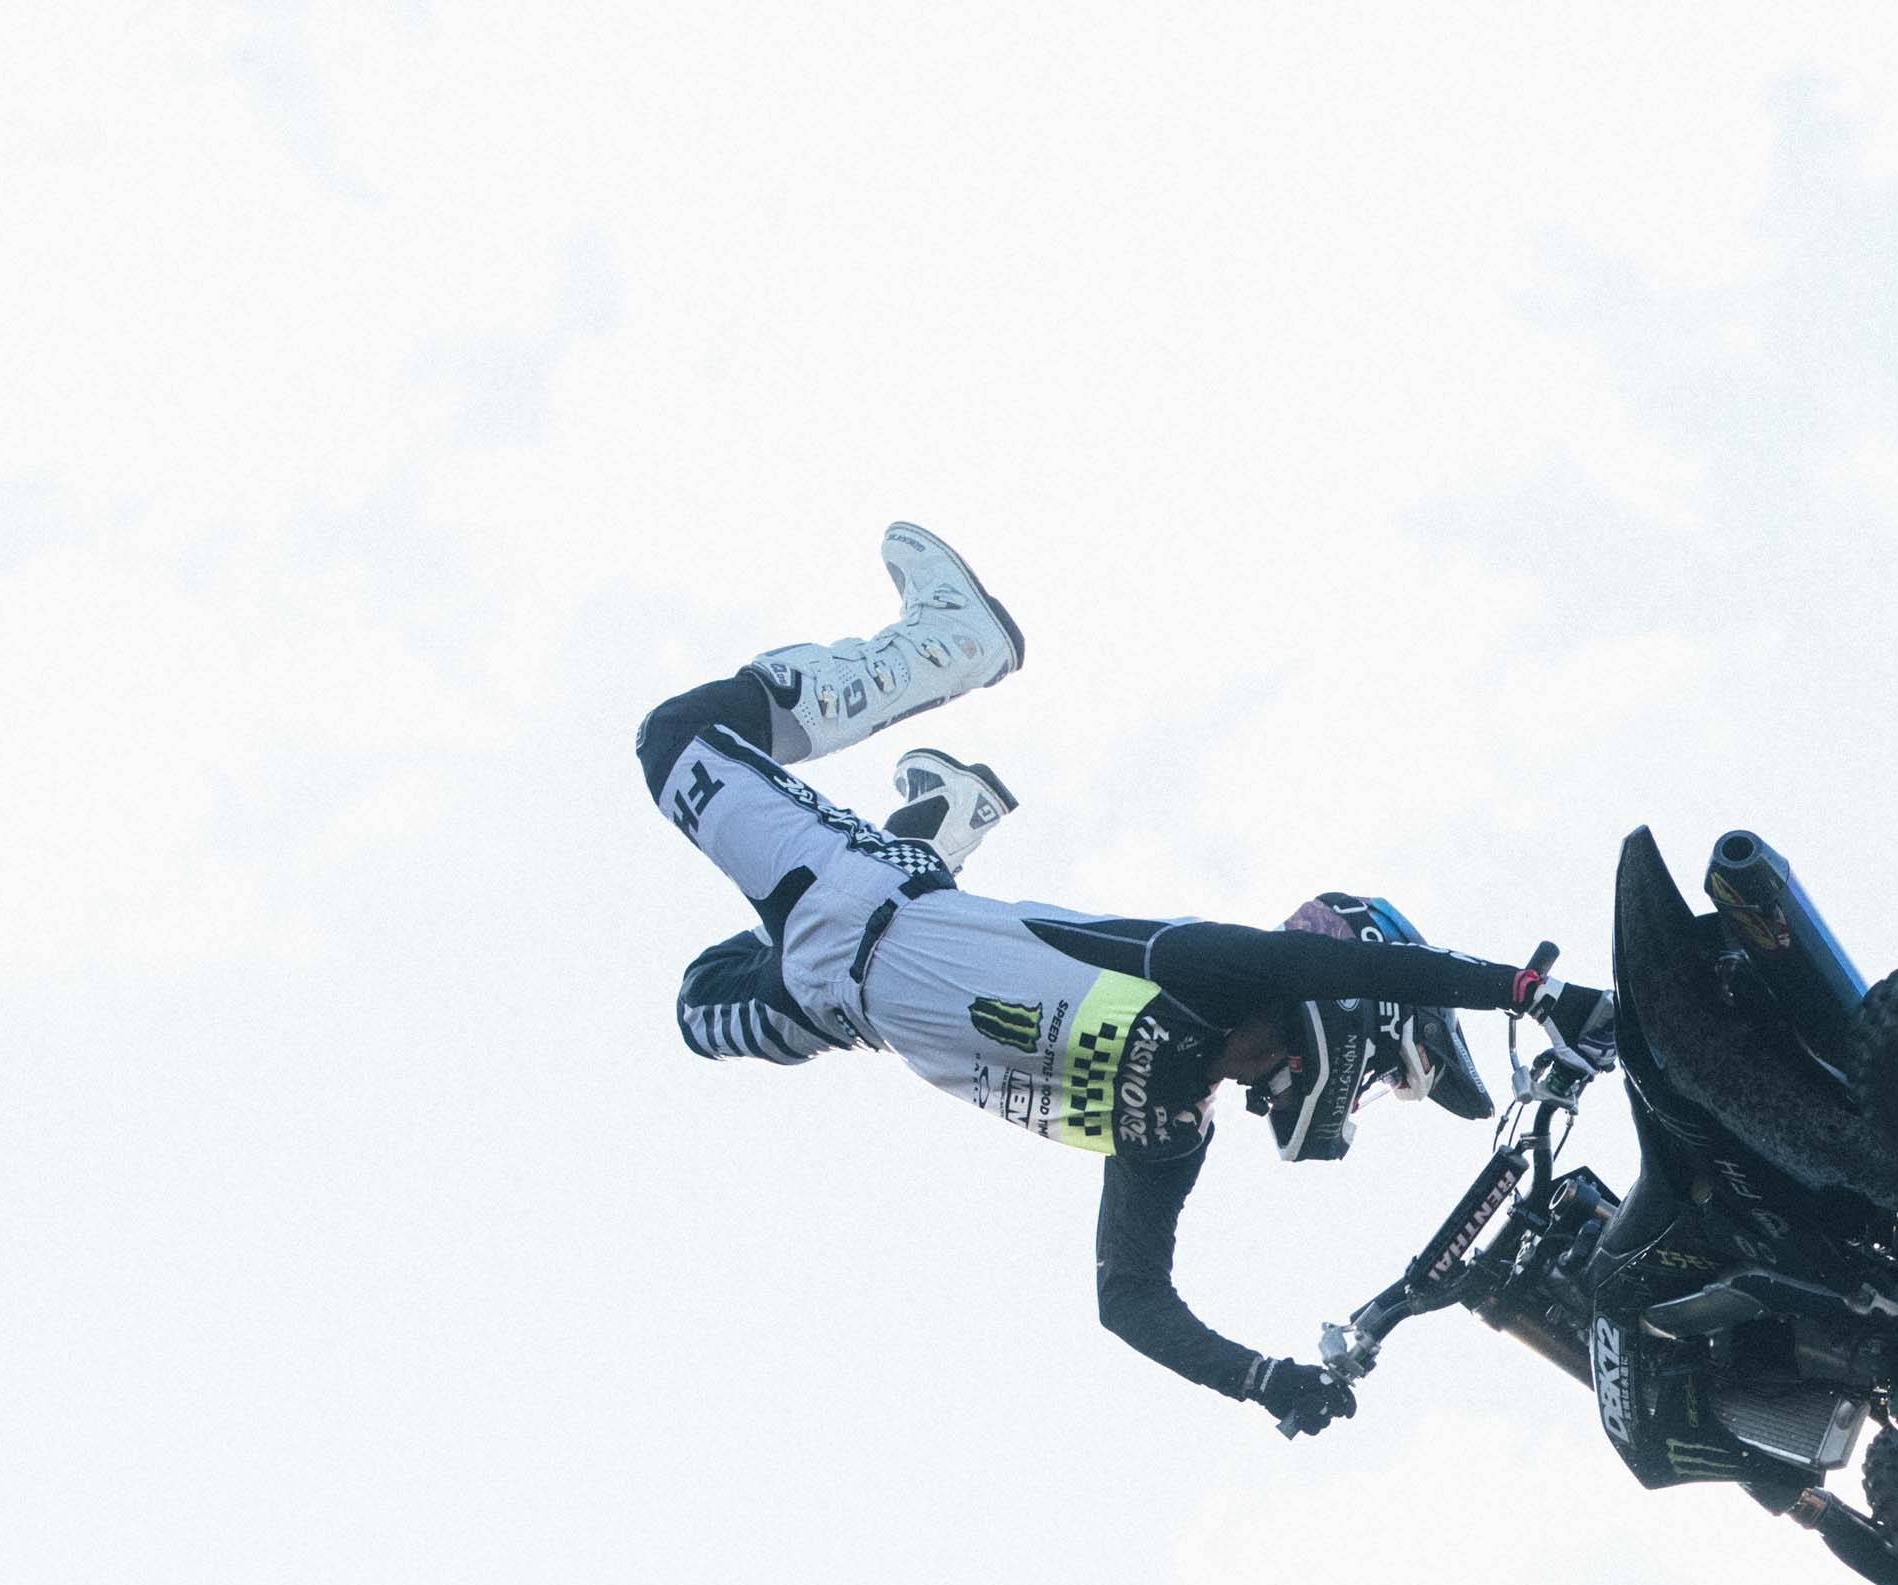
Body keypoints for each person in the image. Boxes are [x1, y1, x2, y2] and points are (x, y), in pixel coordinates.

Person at [635, 522, 1615, 1435]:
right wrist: (1528, 993)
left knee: (698, 1004)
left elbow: (1130, 1300)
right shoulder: (1205, 976)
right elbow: (1332, 960)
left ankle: (942, 821)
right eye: (1332, 1074)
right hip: (852, 894)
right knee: (673, 738)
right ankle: (948, 647)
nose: (1262, 1089)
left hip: (843, 1004)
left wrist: (1262, 1379)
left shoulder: (1169, 1133)